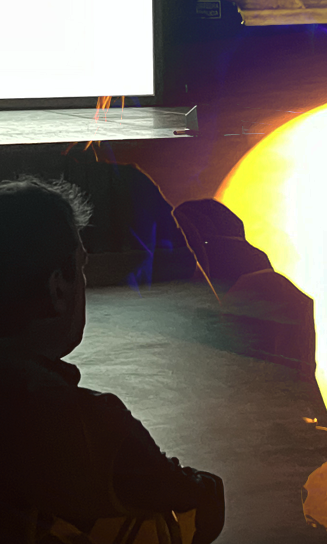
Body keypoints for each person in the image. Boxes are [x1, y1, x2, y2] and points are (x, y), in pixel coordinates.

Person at [0, 177, 226, 542]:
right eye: (81, 267)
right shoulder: (85, 425)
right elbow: (192, 498)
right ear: (58, 288)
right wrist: (206, 487)